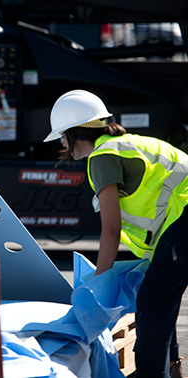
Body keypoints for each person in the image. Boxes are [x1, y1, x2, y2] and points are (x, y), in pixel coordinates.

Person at [45, 89, 188, 378]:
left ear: (74, 133)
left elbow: (111, 229)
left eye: (62, 135)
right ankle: (172, 367)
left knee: (152, 299)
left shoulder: (102, 157)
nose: (61, 143)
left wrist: (98, 287)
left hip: (184, 222)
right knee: (159, 295)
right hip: (181, 224)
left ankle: (151, 373)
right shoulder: (125, 145)